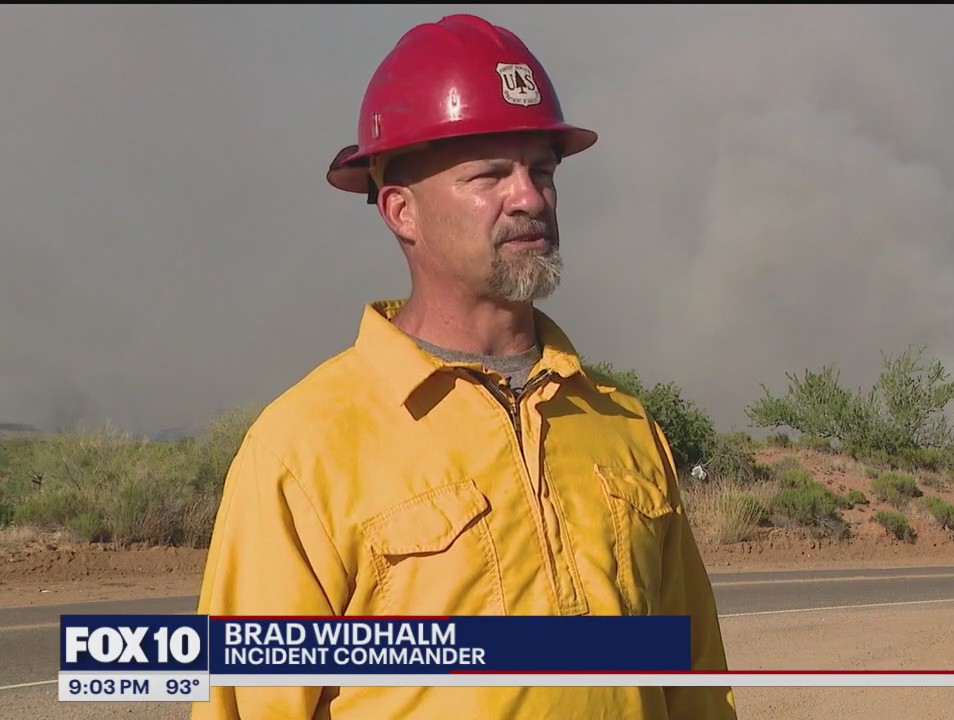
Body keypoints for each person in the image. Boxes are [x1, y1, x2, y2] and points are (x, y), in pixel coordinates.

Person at [191, 13, 737, 720]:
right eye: (490, 174)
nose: (530, 197)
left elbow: (691, 687)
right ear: (401, 212)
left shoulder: (623, 428)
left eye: (542, 170)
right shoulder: (303, 450)